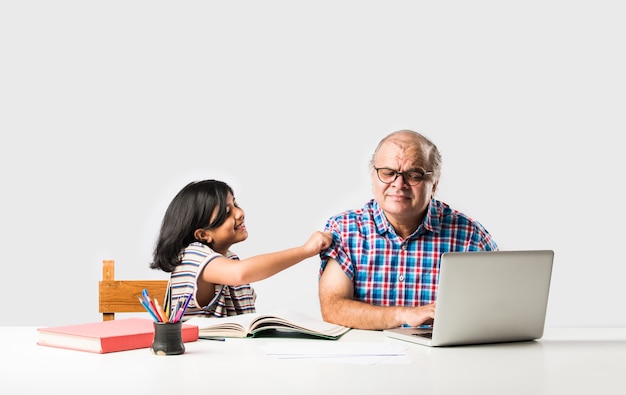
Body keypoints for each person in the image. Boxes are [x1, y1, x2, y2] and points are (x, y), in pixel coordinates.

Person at [318, 130, 498, 330]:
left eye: (414, 175)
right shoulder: (344, 231)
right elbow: (333, 308)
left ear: (434, 184)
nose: (399, 184)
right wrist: (407, 314)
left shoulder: (470, 237)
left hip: (444, 358)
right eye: (387, 173)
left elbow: (496, 308)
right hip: (367, 355)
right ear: (373, 178)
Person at [151, 179, 332, 318]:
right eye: (227, 213)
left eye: (235, 204)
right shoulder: (191, 256)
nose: (240, 213)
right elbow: (240, 274)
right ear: (202, 235)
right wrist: (305, 250)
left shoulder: (229, 259)